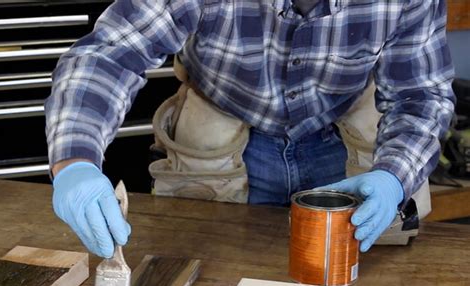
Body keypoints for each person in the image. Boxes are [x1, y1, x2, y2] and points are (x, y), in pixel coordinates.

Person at [46, 0, 455, 258]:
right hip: (219, 137)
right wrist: (74, 163)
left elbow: (420, 97)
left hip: (344, 136)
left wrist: (394, 177)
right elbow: (109, 58)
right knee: (196, 276)